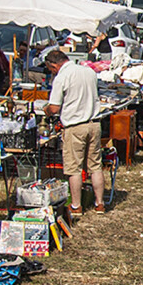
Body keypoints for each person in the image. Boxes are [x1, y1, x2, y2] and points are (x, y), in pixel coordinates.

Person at [43, 50, 106, 214]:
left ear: (53, 65)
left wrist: (46, 110)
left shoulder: (62, 77)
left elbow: (55, 107)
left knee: (74, 168)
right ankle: (100, 203)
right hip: (94, 123)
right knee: (95, 166)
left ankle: (76, 205)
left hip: (75, 126)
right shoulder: (88, 71)